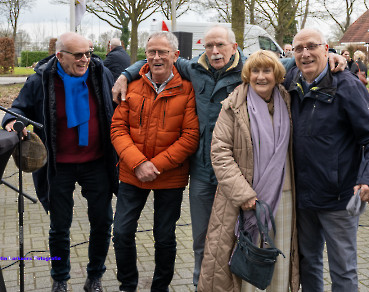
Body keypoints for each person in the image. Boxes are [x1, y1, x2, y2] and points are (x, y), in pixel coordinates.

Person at [111, 25, 346, 291]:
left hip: (241, 175)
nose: (214, 51)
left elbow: (293, 60)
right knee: (203, 239)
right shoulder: (194, 69)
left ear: (234, 47)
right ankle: (202, 282)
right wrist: (124, 73)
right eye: (209, 45)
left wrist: (334, 56)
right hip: (202, 172)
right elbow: (160, 57)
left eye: (220, 45)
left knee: (235, 238)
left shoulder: (251, 68)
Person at [2, 32, 118, 292]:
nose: (85, 59)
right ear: (60, 56)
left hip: (97, 162)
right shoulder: (41, 79)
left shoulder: (100, 73)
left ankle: (95, 276)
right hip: (58, 166)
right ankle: (60, 279)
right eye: (78, 55)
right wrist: (11, 121)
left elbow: (117, 105)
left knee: (102, 222)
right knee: (59, 227)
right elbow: (18, 108)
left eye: (88, 52)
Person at [283, 28, 369, 292]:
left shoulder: (347, 86)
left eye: (312, 46)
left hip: (338, 199)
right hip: (303, 197)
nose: (305, 53)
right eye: (299, 48)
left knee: (343, 271)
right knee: (308, 265)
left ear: (326, 48)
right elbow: (258, 65)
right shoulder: (291, 79)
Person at [197, 50, 299, 292]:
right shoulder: (233, 105)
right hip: (244, 199)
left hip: (284, 196)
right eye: (255, 71)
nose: (261, 77)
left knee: (278, 259)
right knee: (246, 262)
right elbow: (220, 153)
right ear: (247, 74)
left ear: (277, 75)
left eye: (267, 71)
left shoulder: (287, 100)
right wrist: (244, 195)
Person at [110, 31, 199, 292]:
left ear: (175, 55)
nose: (157, 57)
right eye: (152, 52)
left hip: (170, 176)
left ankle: (160, 287)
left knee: (164, 237)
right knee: (122, 232)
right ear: (145, 55)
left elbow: (191, 136)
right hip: (131, 173)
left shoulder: (188, 89)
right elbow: (117, 128)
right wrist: (138, 163)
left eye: (163, 52)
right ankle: (128, 284)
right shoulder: (132, 85)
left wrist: (155, 165)